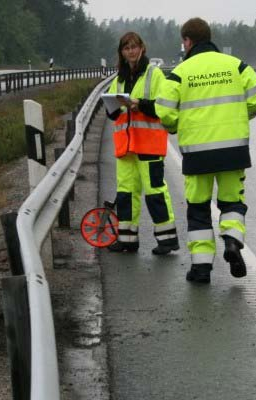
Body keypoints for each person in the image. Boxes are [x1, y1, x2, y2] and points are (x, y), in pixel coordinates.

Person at [155, 17, 256, 284]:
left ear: (187, 41)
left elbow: (164, 110)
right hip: (232, 149)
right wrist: (240, 117)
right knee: (232, 202)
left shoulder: (181, 72)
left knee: (198, 208)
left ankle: (201, 268)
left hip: (197, 154)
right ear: (209, 37)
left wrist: (175, 126)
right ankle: (232, 241)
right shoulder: (236, 65)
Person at [106, 32, 179, 254]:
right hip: (125, 146)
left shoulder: (154, 74)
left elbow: (163, 105)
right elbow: (111, 112)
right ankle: (127, 239)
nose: (131, 51)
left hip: (148, 143)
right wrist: (114, 106)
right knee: (126, 192)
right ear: (122, 52)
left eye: (134, 47)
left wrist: (140, 105)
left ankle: (167, 239)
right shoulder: (118, 78)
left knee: (155, 191)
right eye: (126, 48)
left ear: (142, 48)